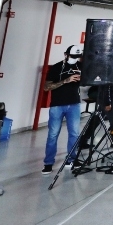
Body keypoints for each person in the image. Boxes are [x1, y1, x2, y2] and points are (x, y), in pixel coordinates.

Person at [42, 45, 84, 175]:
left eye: (77, 57)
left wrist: (83, 80)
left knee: (74, 133)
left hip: (74, 104)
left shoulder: (80, 67)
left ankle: (71, 159)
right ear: (66, 54)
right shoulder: (56, 67)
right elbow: (46, 87)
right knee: (53, 134)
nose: (75, 59)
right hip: (57, 105)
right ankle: (48, 163)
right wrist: (65, 80)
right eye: (72, 56)